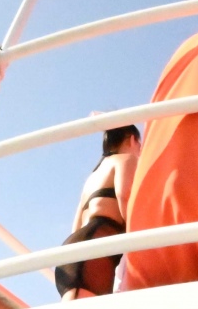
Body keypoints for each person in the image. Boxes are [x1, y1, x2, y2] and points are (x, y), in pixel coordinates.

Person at [56, 124, 141, 299]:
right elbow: (125, 196)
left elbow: (76, 226)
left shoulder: (92, 177)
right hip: (97, 250)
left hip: (74, 249)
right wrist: (138, 239)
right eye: (140, 145)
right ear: (132, 140)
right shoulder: (126, 159)